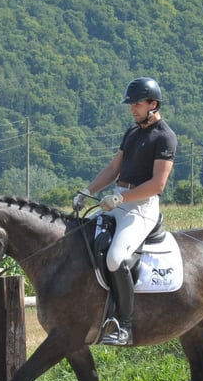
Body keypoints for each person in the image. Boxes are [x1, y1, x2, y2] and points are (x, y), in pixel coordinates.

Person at [73, 77, 177, 345]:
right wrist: (87, 191)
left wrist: (121, 198)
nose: (133, 108)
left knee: (115, 259)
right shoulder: (132, 133)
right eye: (131, 104)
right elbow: (112, 170)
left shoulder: (165, 137)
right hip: (118, 200)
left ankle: (125, 326)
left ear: (153, 104)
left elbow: (157, 184)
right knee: (82, 240)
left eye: (137, 104)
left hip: (141, 207)